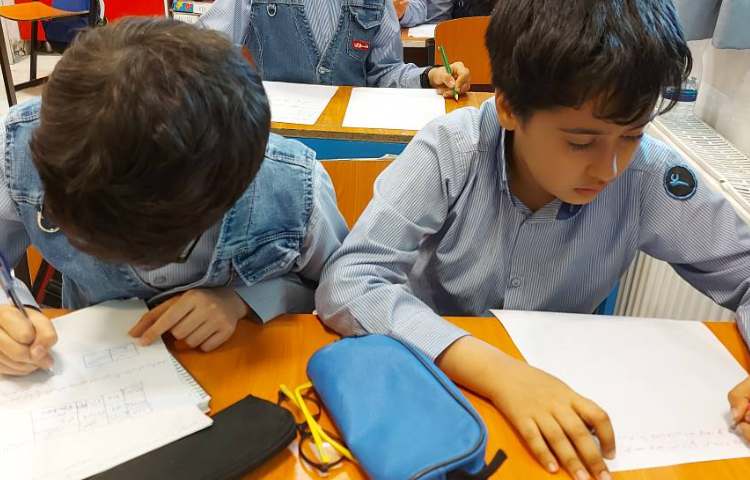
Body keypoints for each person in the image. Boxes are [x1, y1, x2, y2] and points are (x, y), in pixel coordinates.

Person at [316, 1, 750, 479]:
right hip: (432, 385)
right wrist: (499, 372)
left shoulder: (647, 175)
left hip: (564, 398)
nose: (610, 169)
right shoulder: (451, 150)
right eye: (580, 142)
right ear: (508, 106)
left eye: (632, 136)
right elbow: (349, 280)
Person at [0, 18, 347, 376]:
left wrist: (243, 301)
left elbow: (337, 286)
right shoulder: (21, 148)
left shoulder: (292, 186)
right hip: (92, 366)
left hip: (236, 366)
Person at [198, 0, 471, 97]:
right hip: (277, 136)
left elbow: (385, 72)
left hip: (349, 136)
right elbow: (201, 48)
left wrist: (429, 76)